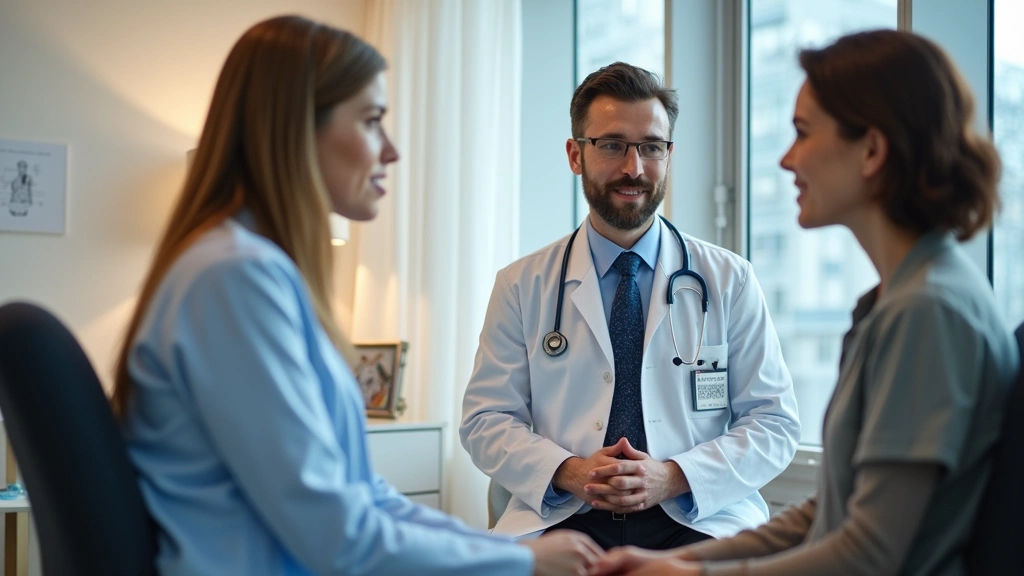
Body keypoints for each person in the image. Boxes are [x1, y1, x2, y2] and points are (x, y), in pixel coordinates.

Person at [111, 15, 600, 576]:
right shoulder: (232, 279)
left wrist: (512, 552)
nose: (390, 151)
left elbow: (364, 495)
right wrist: (521, 564)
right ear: (296, 129)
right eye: (371, 122)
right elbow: (339, 537)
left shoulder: (255, 271)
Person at [591, 29, 1020, 576]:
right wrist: (680, 561)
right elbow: (830, 511)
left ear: (871, 150)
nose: (787, 160)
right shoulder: (898, 300)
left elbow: (869, 552)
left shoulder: (928, 313)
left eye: (802, 133)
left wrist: (693, 575)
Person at [460, 62, 800, 551]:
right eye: (613, 145)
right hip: (565, 516)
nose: (633, 168)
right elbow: (486, 418)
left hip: (695, 515)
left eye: (651, 148)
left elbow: (774, 422)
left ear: (669, 154)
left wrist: (674, 476)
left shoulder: (729, 279)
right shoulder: (522, 284)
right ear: (575, 154)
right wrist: (570, 472)